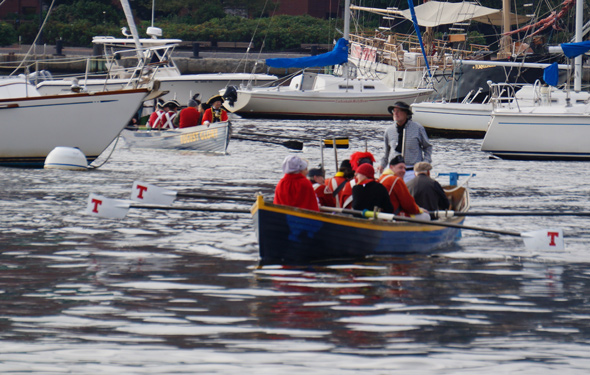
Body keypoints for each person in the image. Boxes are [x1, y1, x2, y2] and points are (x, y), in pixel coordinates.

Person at [378, 101, 432, 182]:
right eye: (394, 111)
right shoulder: (389, 131)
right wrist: (382, 165)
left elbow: (427, 147)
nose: (396, 113)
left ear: (406, 113)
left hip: (412, 171)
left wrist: (425, 163)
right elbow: (386, 153)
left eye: (398, 111)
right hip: (394, 172)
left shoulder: (418, 128)